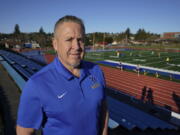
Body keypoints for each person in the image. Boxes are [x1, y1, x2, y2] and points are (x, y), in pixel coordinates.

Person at [16, 15, 108, 135]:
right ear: (55, 44)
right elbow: (24, 131)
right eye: (69, 39)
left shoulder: (96, 71)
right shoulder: (37, 84)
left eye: (80, 40)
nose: (76, 46)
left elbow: (103, 110)